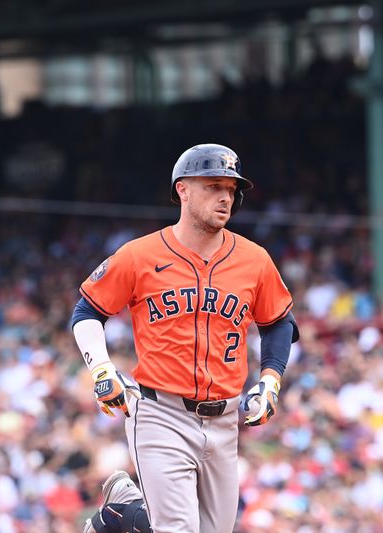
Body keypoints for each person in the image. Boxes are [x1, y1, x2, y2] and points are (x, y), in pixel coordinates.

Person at [72, 143, 299, 533]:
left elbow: (279, 322)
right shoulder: (139, 255)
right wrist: (101, 368)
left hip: (226, 418)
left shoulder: (254, 259)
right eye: (214, 185)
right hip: (161, 413)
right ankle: (127, 514)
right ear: (183, 189)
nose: (226, 197)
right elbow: (87, 311)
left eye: (231, 189)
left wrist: (270, 379)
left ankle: (124, 512)